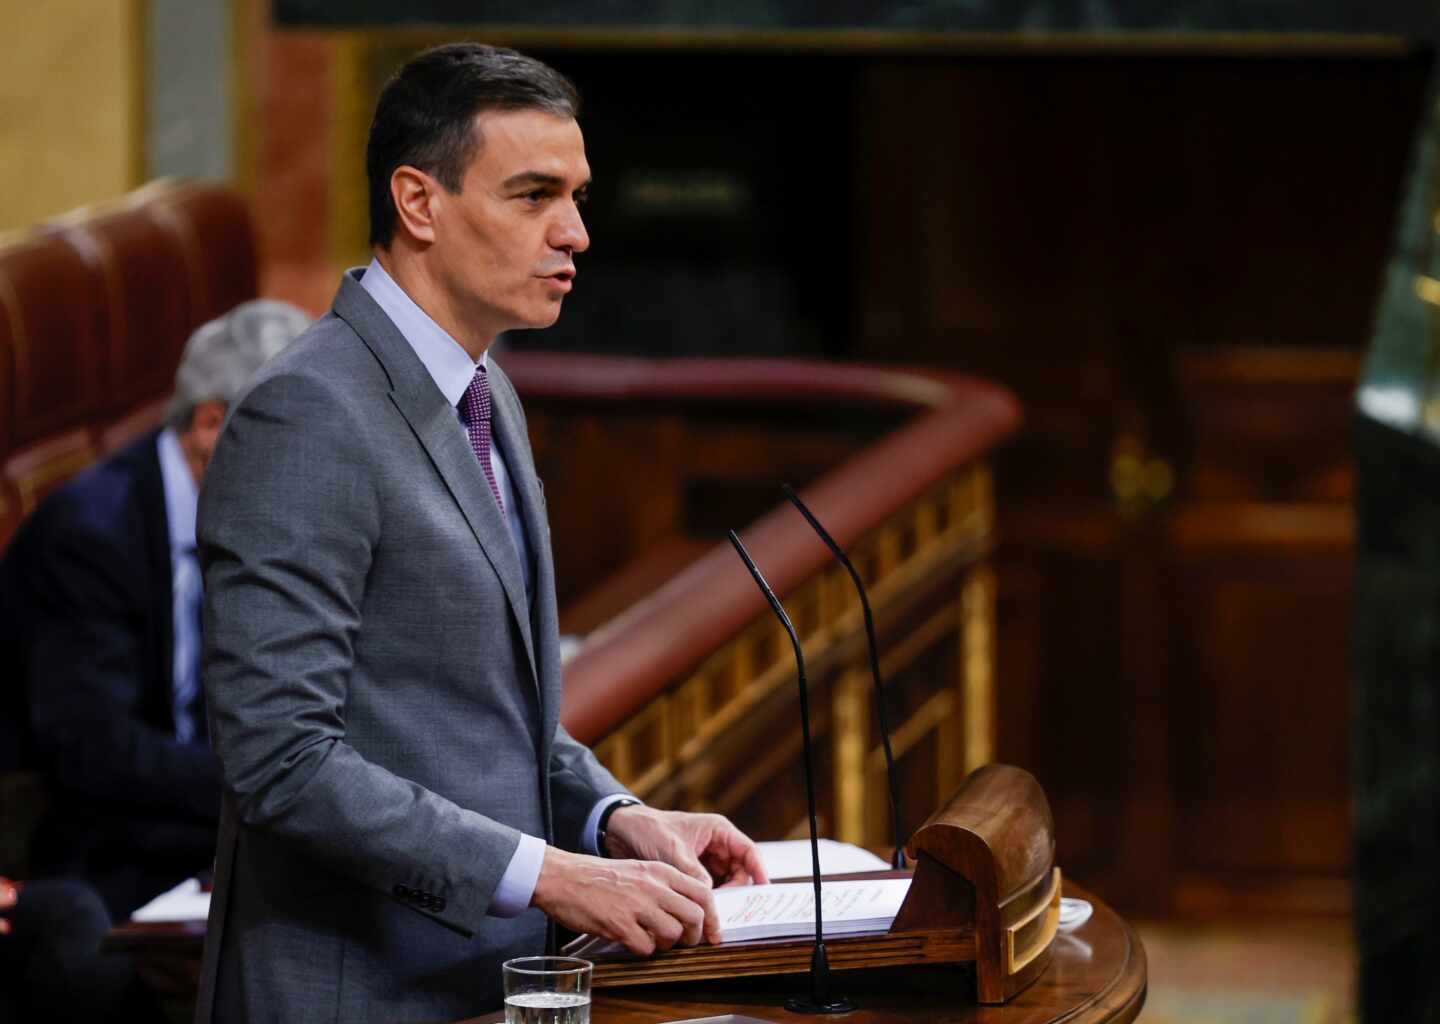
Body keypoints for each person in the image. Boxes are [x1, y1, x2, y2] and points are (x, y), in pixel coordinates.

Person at [194, 43, 767, 1022]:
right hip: (350, 991)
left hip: (486, 984)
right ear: (418, 203)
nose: (577, 232)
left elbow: (490, 719)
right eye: (535, 195)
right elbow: (281, 759)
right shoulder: (308, 413)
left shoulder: (487, 388)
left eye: (578, 196)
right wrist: (549, 873)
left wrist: (614, 815)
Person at [0, 300, 311, 923]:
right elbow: (98, 755)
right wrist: (281, 782)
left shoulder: (255, 515)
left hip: (204, 822)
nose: (306, 469)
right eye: (289, 440)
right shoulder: (91, 537)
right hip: (102, 858)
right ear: (210, 423)